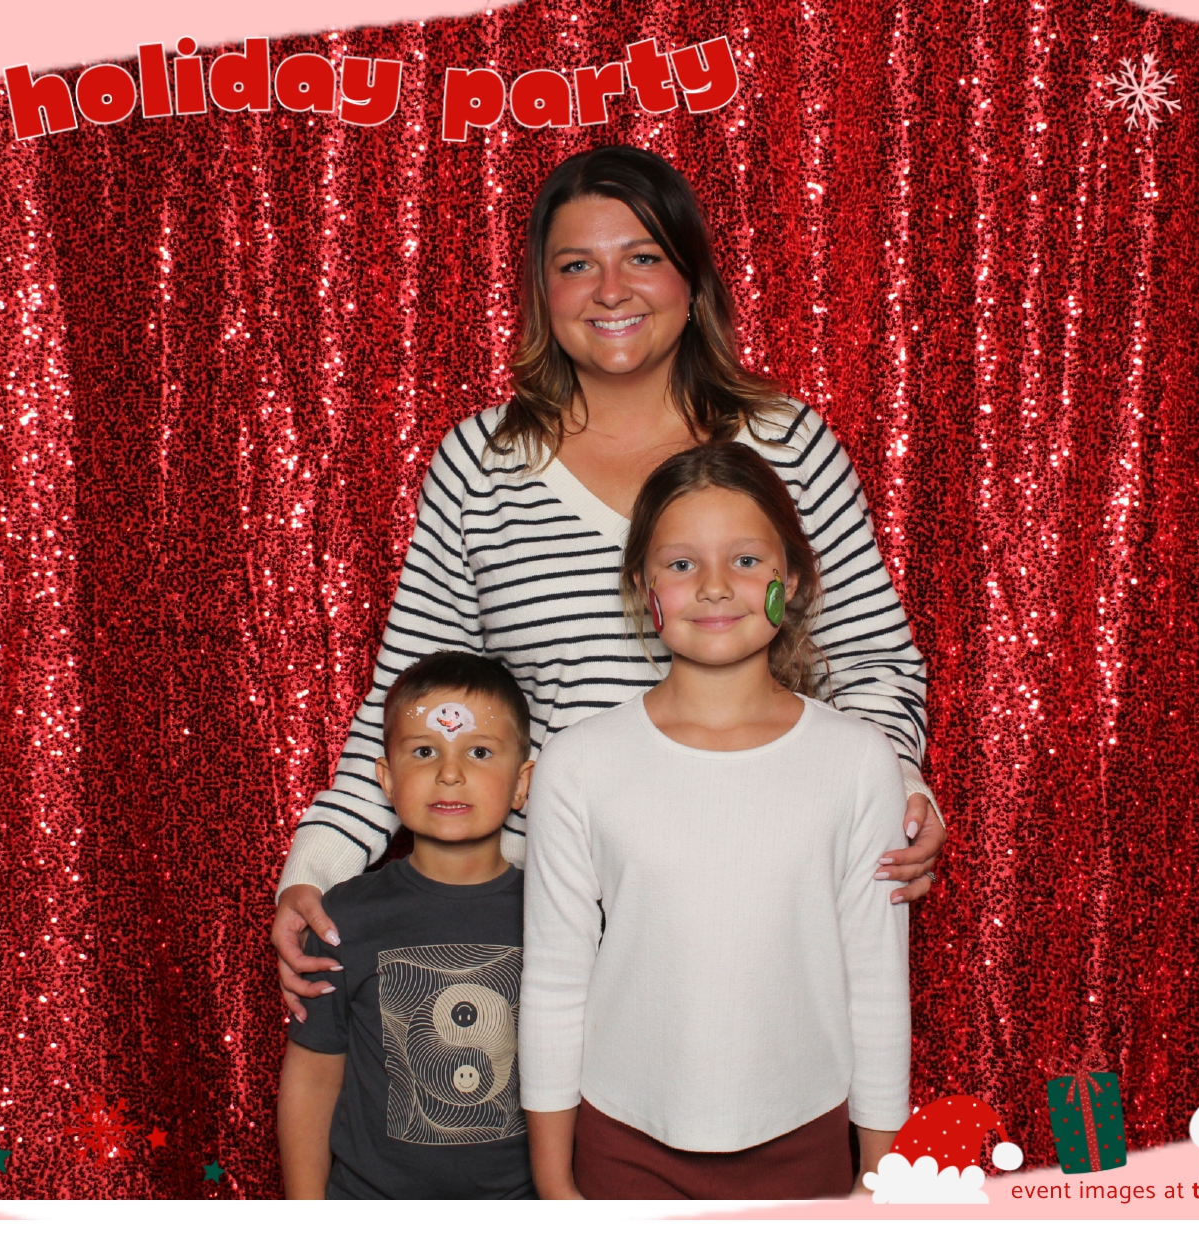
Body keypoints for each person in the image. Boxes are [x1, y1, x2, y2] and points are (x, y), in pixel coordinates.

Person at [272, 144, 946, 1020]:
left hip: (765, 893)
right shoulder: (481, 466)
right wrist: (317, 868)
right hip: (544, 918)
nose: (611, 290)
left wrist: (896, 792)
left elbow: (870, 662)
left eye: (642, 257)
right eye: (576, 265)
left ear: (692, 281)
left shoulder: (785, 444)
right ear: (541, 294)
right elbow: (416, 702)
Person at [521, 441, 911, 1199]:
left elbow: (875, 982)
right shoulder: (578, 762)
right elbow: (557, 982)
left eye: (745, 560)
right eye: (681, 563)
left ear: (793, 582)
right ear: (643, 589)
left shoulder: (860, 761)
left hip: (805, 1145)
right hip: (622, 1148)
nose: (713, 586)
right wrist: (554, 1184)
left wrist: (879, 1180)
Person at [276, 651, 537, 1199]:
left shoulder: (555, 915)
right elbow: (313, 1078)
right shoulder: (345, 916)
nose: (449, 773)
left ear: (521, 783)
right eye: (424, 751)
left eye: (479, 752)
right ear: (388, 780)